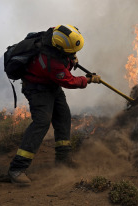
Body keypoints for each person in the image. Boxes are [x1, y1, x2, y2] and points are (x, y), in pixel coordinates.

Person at [8, 25, 101, 185]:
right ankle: (17, 169)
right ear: (60, 48)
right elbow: (69, 81)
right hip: (37, 88)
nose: (74, 53)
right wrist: (89, 80)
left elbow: (64, 64)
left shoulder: (55, 35)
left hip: (51, 84)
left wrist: (71, 59)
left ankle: (63, 159)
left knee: (63, 116)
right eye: (71, 51)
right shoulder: (50, 61)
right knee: (42, 122)